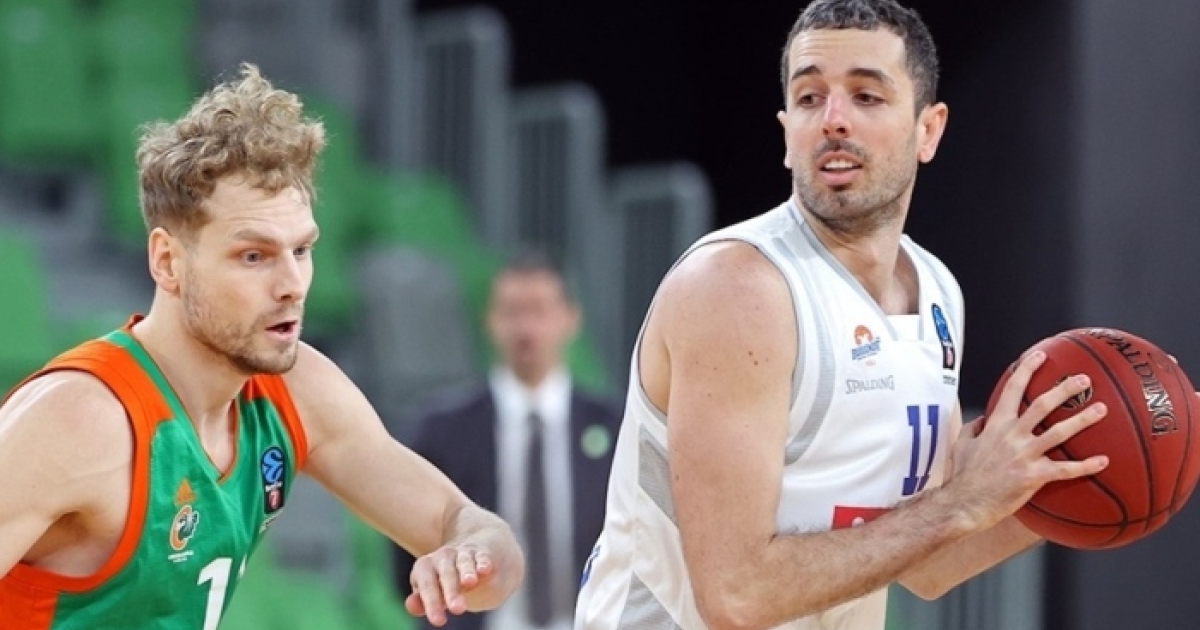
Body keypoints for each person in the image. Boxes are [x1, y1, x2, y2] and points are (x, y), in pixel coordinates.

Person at [573, 1, 1110, 629]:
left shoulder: (937, 291)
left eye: (866, 96)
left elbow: (927, 565)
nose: (832, 119)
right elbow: (737, 594)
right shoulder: (739, 287)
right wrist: (960, 504)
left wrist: (1097, 474)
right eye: (809, 98)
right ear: (786, 132)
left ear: (928, 130)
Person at [0, 63, 523, 630]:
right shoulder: (79, 421)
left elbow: (467, 529)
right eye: (254, 256)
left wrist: (472, 555)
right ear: (168, 261)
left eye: (301, 251)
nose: (292, 285)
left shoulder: (298, 391)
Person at [396, 250, 622, 630]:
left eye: (539, 310)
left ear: (571, 318)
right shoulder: (441, 429)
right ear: (490, 320)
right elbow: (408, 550)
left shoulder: (614, 427)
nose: (526, 327)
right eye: (513, 311)